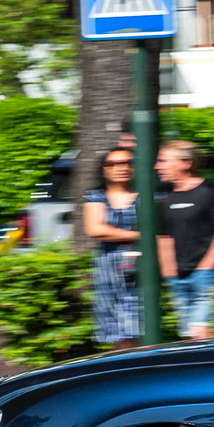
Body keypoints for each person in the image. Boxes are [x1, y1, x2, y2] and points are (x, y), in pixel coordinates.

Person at [156, 141, 214, 341]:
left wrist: (206, 267)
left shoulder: (207, 191)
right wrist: (168, 270)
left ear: (185, 163)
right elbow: (163, 235)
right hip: (176, 278)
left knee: (200, 334)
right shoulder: (166, 195)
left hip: (204, 276)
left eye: (163, 161)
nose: (157, 166)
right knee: (188, 337)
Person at [83, 145, 144, 349]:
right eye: (113, 163)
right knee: (115, 329)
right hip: (108, 269)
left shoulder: (145, 195)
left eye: (127, 162)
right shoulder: (95, 196)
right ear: (103, 169)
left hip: (141, 268)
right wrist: (138, 235)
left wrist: (113, 233)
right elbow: (94, 229)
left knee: (138, 326)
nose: (121, 167)